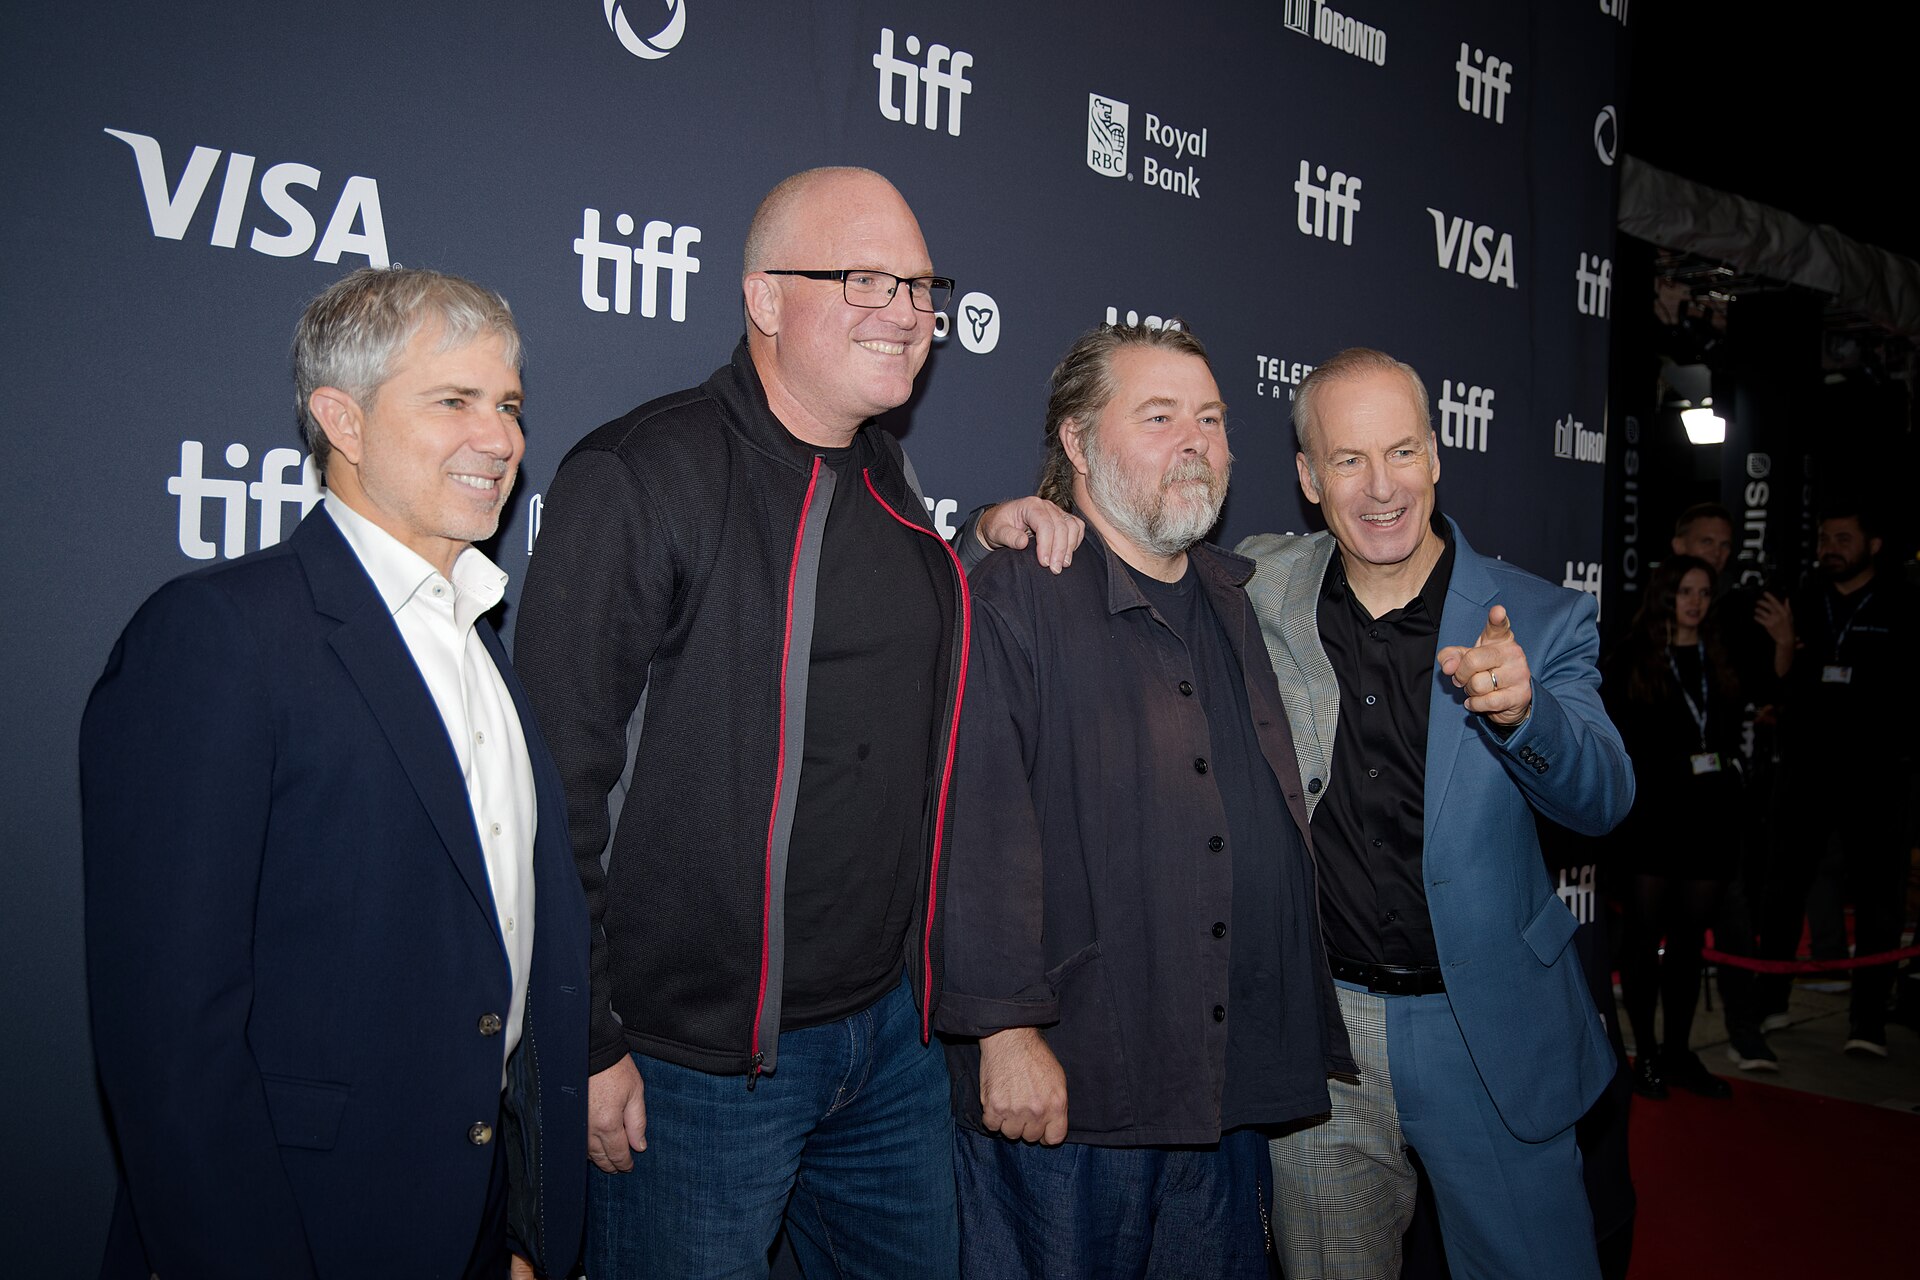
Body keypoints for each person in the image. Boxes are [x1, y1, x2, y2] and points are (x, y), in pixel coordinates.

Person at [512, 167, 1061, 1278]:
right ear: (764, 299)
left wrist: (980, 549)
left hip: (886, 1042)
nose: (907, 310)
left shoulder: (892, 485)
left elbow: (842, 661)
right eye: (864, 278)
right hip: (695, 1067)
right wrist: (587, 1042)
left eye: (919, 284)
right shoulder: (641, 475)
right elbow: (549, 784)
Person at [81, 266, 589, 1279]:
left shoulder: (483, 644)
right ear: (341, 421)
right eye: (454, 401)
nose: (501, 439)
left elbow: (515, 965)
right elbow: (172, 1046)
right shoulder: (217, 638)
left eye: (509, 405)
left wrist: (525, 1225)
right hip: (300, 1232)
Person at [939, 323, 1352, 1276]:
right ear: (1078, 445)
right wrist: (1006, 1036)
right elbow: (974, 833)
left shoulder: (1238, 595)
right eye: (1159, 416)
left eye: (1210, 419)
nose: (1196, 441)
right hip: (1075, 1090)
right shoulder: (1015, 595)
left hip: (1219, 1080)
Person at [1236, 347, 1634, 1279]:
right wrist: (1016, 524)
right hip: (1324, 1033)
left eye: (1403, 452)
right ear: (1306, 477)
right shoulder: (1262, 585)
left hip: (1486, 1024)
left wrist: (1526, 717)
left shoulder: (1537, 618)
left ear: (1437, 454)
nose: (1382, 488)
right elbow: (1138, 547)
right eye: (1348, 460)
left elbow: (1606, 797)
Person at [1758, 506, 1918, 1056]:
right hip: (1805, 769)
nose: (1830, 546)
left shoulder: (1903, 603)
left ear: (1873, 545)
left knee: (1878, 896)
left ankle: (1867, 1023)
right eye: (1825, 537)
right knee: (1783, 889)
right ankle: (1770, 1004)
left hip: (1877, 775)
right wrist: (1782, 646)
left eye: (1843, 538)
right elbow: (1776, 686)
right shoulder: (1800, 599)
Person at [1602, 556, 1742, 1100]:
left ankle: (1681, 1052)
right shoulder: (1635, 658)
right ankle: (1649, 1055)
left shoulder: (1719, 655)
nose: (1695, 602)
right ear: (1665, 595)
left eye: (1705, 592)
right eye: (1685, 591)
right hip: (1653, 822)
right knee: (1644, 940)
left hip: (1709, 820)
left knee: (1690, 944)